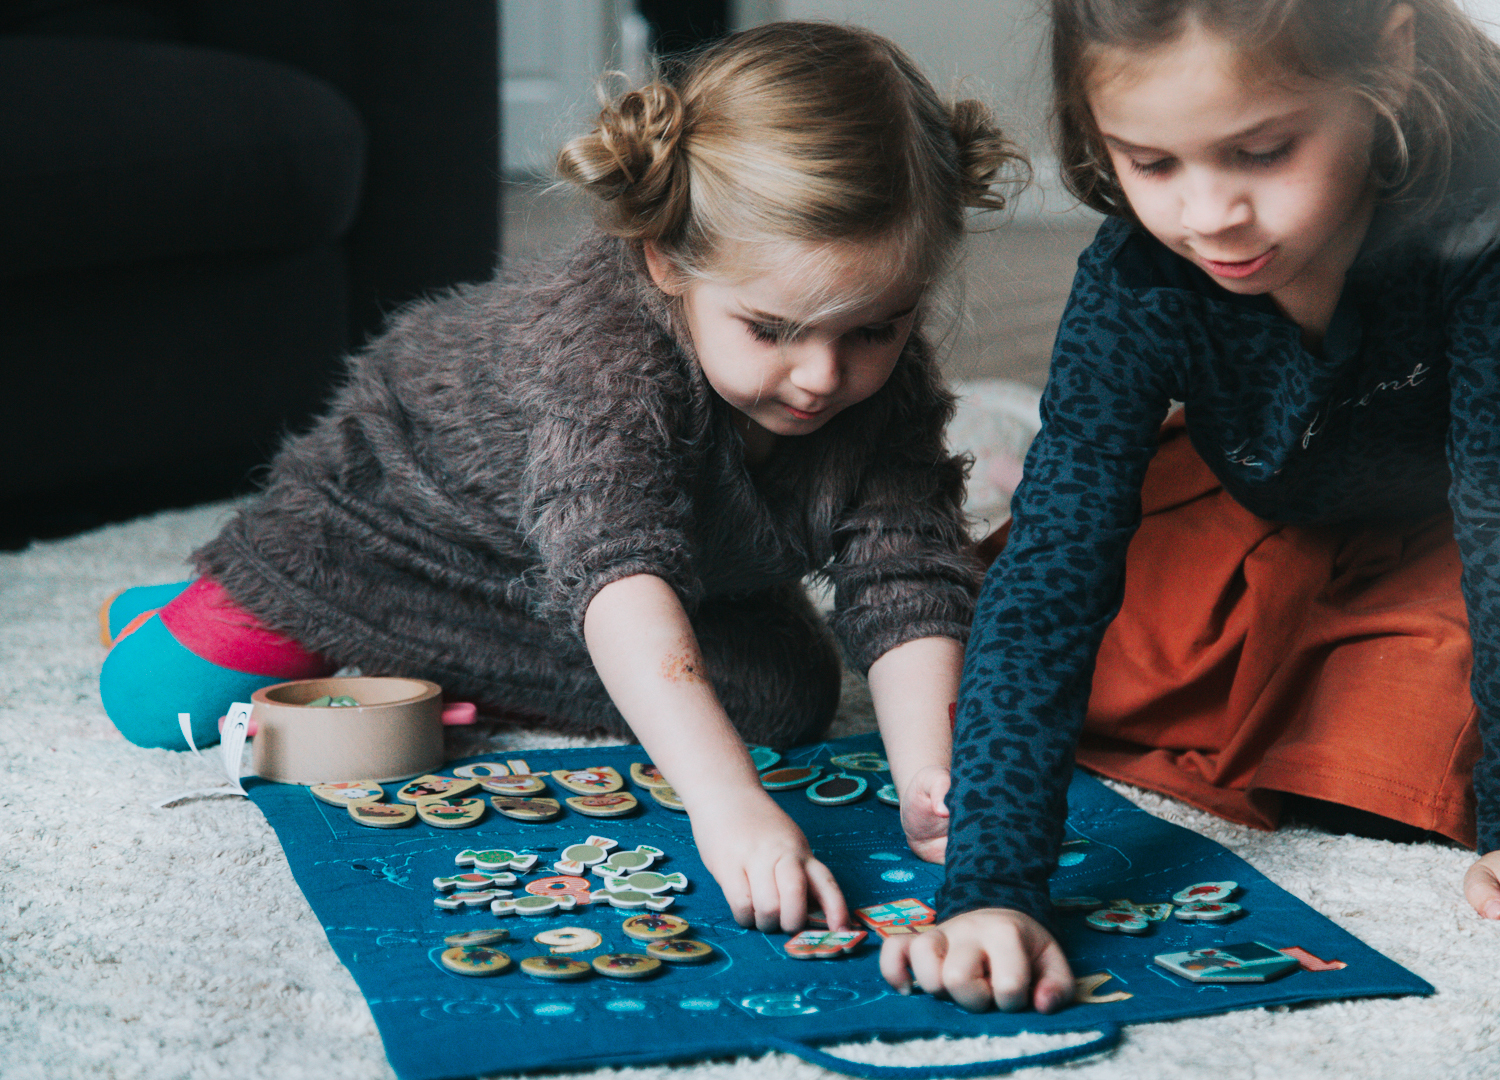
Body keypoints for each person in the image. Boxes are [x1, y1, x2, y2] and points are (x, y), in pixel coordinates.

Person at [97, 21, 1027, 933]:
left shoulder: (880, 385)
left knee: (788, 699)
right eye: (774, 329)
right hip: (399, 529)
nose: (825, 376)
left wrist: (933, 777)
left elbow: (905, 573)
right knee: (153, 699)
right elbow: (621, 575)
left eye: (873, 328)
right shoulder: (602, 353)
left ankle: (451, 660)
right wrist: (726, 804)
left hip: (653, 580)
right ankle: (184, 603)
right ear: (667, 260)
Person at [881, 0, 1500, 1012]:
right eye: (1152, 163)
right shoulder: (1138, 275)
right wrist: (992, 888)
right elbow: (1056, 573)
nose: (1208, 215)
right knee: (1005, 637)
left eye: (1261, 152)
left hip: (1446, 527)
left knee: (1418, 747)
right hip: (1248, 500)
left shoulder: (1477, 228)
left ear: (1387, 62)